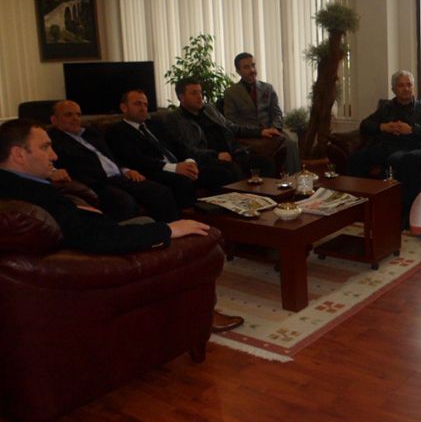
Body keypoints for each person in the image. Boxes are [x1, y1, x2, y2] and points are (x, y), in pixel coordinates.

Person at [0, 118, 244, 333]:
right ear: (19, 155)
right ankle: (201, 314)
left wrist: (76, 208)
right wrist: (169, 229)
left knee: (147, 220)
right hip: (96, 259)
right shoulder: (32, 194)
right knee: (200, 239)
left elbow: (65, 221)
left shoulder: (13, 185)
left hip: (92, 240)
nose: (54, 156)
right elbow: (98, 238)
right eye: (45, 147)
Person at [48, 100, 180, 222]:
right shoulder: (52, 141)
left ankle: (173, 231)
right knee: (124, 202)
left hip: (120, 177)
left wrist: (126, 169)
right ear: (54, 120)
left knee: (161, 192)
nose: (75, 118)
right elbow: (46, 162)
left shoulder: (90, 133)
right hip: (96, 182)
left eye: (78, 114)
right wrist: (53, 171)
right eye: (68, 115)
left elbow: (111, 156)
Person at [347, 70, 421, 225]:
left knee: (398, 160)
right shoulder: (387, 107)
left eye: (409, 85)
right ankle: (357, 205)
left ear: (413, 87)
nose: (406, 89)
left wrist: (412, 130)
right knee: (357, 157)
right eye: (401, 85)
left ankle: (401, 213)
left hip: (413, 147)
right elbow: (365, 124)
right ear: (393, 89)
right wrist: (383, 126)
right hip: (388, 146)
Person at [105, 90, 203, 206]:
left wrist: (189, 161)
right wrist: (174, 168)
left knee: (214, 170)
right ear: (124, 107)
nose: (143, 108)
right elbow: (135, 158)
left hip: (178, 164)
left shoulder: (155, 124)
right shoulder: (117, 131)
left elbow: (177, 144)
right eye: (137, 104)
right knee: (182, 181)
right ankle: (193, 214)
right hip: (153, 170)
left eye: (145, 105)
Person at [165, 77, 275, 180]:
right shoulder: (175, 119)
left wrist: (260, 131)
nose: (200, 97)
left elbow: (231, 127)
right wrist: (216, 155)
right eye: (194, 93)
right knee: (232, 170)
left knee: (266, 162)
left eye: (200, 92)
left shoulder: (209, 109)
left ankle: (265, 194)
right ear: (181, 97)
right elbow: (187, 150)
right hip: (206, 161)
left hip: (231, 153)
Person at [223, 52, 301, 173]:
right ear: (238, 71)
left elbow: (277, 113)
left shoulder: (268, 88)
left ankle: (294, 177)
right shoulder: (231, 93)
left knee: (291, 141)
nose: (252, 70)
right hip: (250, 135)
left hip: (272, 130)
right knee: (264, 149)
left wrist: (274, 128)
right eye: (246, 67)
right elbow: (231, 121)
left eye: (253, 65)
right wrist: (258, 132)